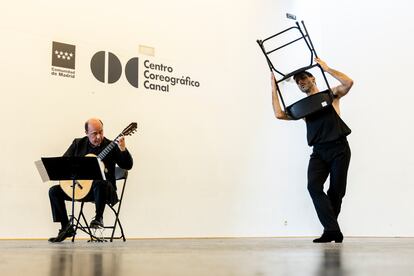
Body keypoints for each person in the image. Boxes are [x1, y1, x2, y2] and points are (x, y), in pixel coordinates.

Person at [271, 58, 353, 243]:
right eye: (298, 80)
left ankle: (330, 231)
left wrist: (328, 68)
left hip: (339, 148)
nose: (301, 82)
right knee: (313, 186)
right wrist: (273, 88)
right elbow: (279, 114)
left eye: (304, 78)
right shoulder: (302, 108)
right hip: (319, 152)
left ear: (313, 78)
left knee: (336, 192)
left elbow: (348, 83)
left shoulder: (330, 94)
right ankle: (333, 231)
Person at [48, 118, 133, 243]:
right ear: (86, 132)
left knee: (99, 181)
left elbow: (128, 165)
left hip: (105, 190)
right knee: (54, 191)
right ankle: (66, 227)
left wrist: (123, 149)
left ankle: (99, 218)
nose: (98, 136)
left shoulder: (111, 146)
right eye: (94, 133)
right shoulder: (78, 144)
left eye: (101, 132)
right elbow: (64, 163)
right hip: (82, 189)